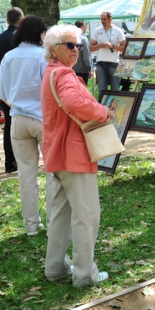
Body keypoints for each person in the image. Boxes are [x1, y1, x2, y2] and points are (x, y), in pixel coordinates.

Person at [41, 24, 114, 287]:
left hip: (57, 153)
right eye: (70, 45)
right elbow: (74, 103)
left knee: (61, 214)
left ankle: (55, 268)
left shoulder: (52, 72)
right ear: (53, 49)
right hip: (73, 153)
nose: (76, 50)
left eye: (78, 45)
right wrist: (102, 111)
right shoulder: (64, 74)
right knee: (87, 215)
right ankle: (84, 275)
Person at [0, 15, 56, 236]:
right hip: (42, 119)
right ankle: (53, 223)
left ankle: (31, 226)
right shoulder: (43, 58)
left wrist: (19, 104)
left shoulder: (8, 57)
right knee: (52, 173)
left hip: (17, 120)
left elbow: (2, 94)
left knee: (26, 175)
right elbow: (50, 91)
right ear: (38, 33)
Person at [0, 7, 25, 174]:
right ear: (21, 20)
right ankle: (22, 159)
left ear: (7, 20)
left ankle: (9, 161)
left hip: (5, 86)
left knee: (9, 123)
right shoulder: (22, 39)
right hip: (21, 85)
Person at [90, 12, 125, 94]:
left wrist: (112, 46)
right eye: (101, 19)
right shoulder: (97, 30)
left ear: (110, 19)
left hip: (113, 64)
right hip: (100, 63)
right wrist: (99, 46)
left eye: (104, 19)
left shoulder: (118, 31)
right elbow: (90, 48)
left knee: (115, 89)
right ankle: (102, 106)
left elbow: (124, 49)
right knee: (102, 89)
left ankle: (114, 106)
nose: (102, 21)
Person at [72, 20, 92, 85]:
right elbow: (86, 55)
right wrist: (89, 69)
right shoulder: (83, 39)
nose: (86, 28)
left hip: (72, 69)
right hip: (82, 71)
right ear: (81, 27)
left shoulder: (70, 39)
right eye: (85, 26)